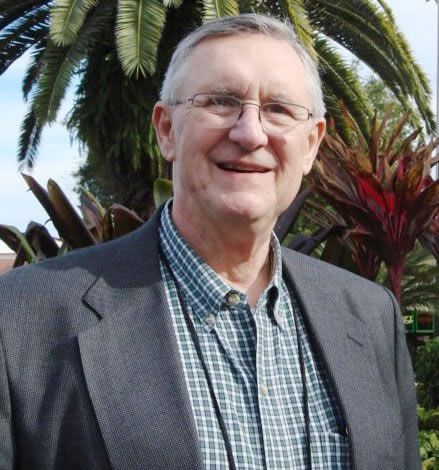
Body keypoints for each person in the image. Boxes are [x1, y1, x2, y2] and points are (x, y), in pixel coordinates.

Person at [0, 13, 419, 470]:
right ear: (166, 130)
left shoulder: (370, 317)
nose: (250, 132)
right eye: (220, 101)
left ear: (311, 145)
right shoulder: (21, 319)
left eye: (279, 109)